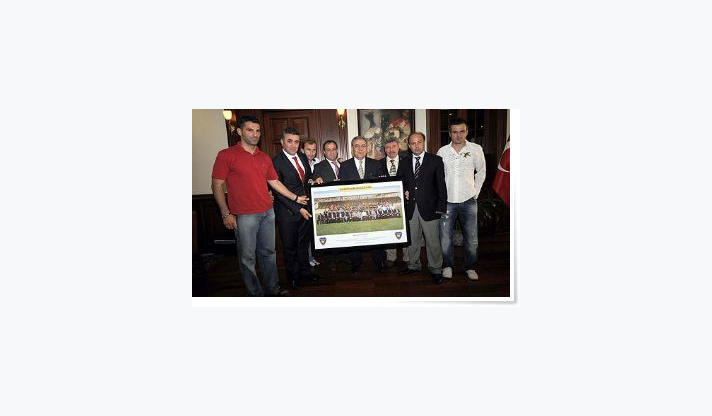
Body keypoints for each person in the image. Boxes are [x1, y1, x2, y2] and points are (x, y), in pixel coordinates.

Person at [211, 115, 308, 296]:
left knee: (269, 253)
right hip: (244, 215)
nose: (255, 134)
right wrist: (226, 214)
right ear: (239, 131)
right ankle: (255, 294)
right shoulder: (226, 155)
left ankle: (273, 289)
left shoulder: (264, 157)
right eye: (250, 130)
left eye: (257, 131)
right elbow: (216, 185)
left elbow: (275, 183)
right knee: (247, 258)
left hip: (268, 212)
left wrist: (295, 198)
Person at [272, 128, 322, 290]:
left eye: (296, 142)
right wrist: (297, 207)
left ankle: (305, 273)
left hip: (305, 208)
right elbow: (277, 191)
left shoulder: (302, 157)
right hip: (287, 212)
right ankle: (293, 278)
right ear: (282, 142)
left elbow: (305, 179)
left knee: (303, 244)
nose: (293, 145)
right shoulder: (276, 162)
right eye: (289, 141)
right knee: (290, 247)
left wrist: (314, 179)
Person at [436, 119, 486, 281]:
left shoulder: (476, 149)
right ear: (450, 133)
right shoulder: (442, 152)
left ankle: (470, 267)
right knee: (445, 237)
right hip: (448, 200)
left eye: (461, 131)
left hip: (468, 199)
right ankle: (447, 265)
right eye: (455, 132)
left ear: (467, 132)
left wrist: (475, 193)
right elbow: (438, 177)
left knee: (471, 237)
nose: (458, 135)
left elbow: (481, 172)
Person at [398, 132, 448, 284]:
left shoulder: (435, 160)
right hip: (411, 208)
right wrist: (404, 190)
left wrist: (441, 207)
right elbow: (401, 182)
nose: (416, 146)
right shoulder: (404, 162)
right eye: (413, 143)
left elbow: (441, 186)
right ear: (409, 146)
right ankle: (413, 265)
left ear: (424, 142)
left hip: (431, 208)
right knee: (412, 240)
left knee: (433, 242)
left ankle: (436, 268)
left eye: (419, 142)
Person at [339, 136, 387, 274]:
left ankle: (379, 262)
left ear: (367, 149)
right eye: (356, 146)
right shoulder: (345, 166)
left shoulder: (376, 164)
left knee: (375, 235)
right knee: (355, 236)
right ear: (352, 149)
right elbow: (342, 188)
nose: (360, 149)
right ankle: (356, 263)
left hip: (372, 208)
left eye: (363, 146)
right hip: (353, 208)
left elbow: (381, 187)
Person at [312, 140, 344, 270]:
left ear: (337, 150)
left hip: (344, 203)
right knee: (331, 232)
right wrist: (315, 180)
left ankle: (343, 256)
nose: (331, 152)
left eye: (334, 149)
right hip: (329, 204)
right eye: (328, 150)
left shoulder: (344, 164)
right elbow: (313, 180)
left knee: (342, 230)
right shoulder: (319, 167)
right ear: (324, 152)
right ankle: (330, 260)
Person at [379, 137, 409, 268]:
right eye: (388, 147)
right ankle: (391, 256)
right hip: (386, 203)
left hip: (405, 201)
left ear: (398, 147)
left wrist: (407, 190)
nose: (391, 150)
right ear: (385, 149)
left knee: (406, 228)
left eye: (394, 146)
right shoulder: (378, 164)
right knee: (389, 228)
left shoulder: (407, 162)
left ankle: (407, 257)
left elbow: (411, 180)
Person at [300, 138, 320, 267]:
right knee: (304, 235)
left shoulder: (317, 163)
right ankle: (306, 259)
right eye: (308, 149)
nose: (311, 153)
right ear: (302, 150)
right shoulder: (299, 164)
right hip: (301, 203)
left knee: (312, 233)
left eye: (313, 150)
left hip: (314, 203)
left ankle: (311, 257)